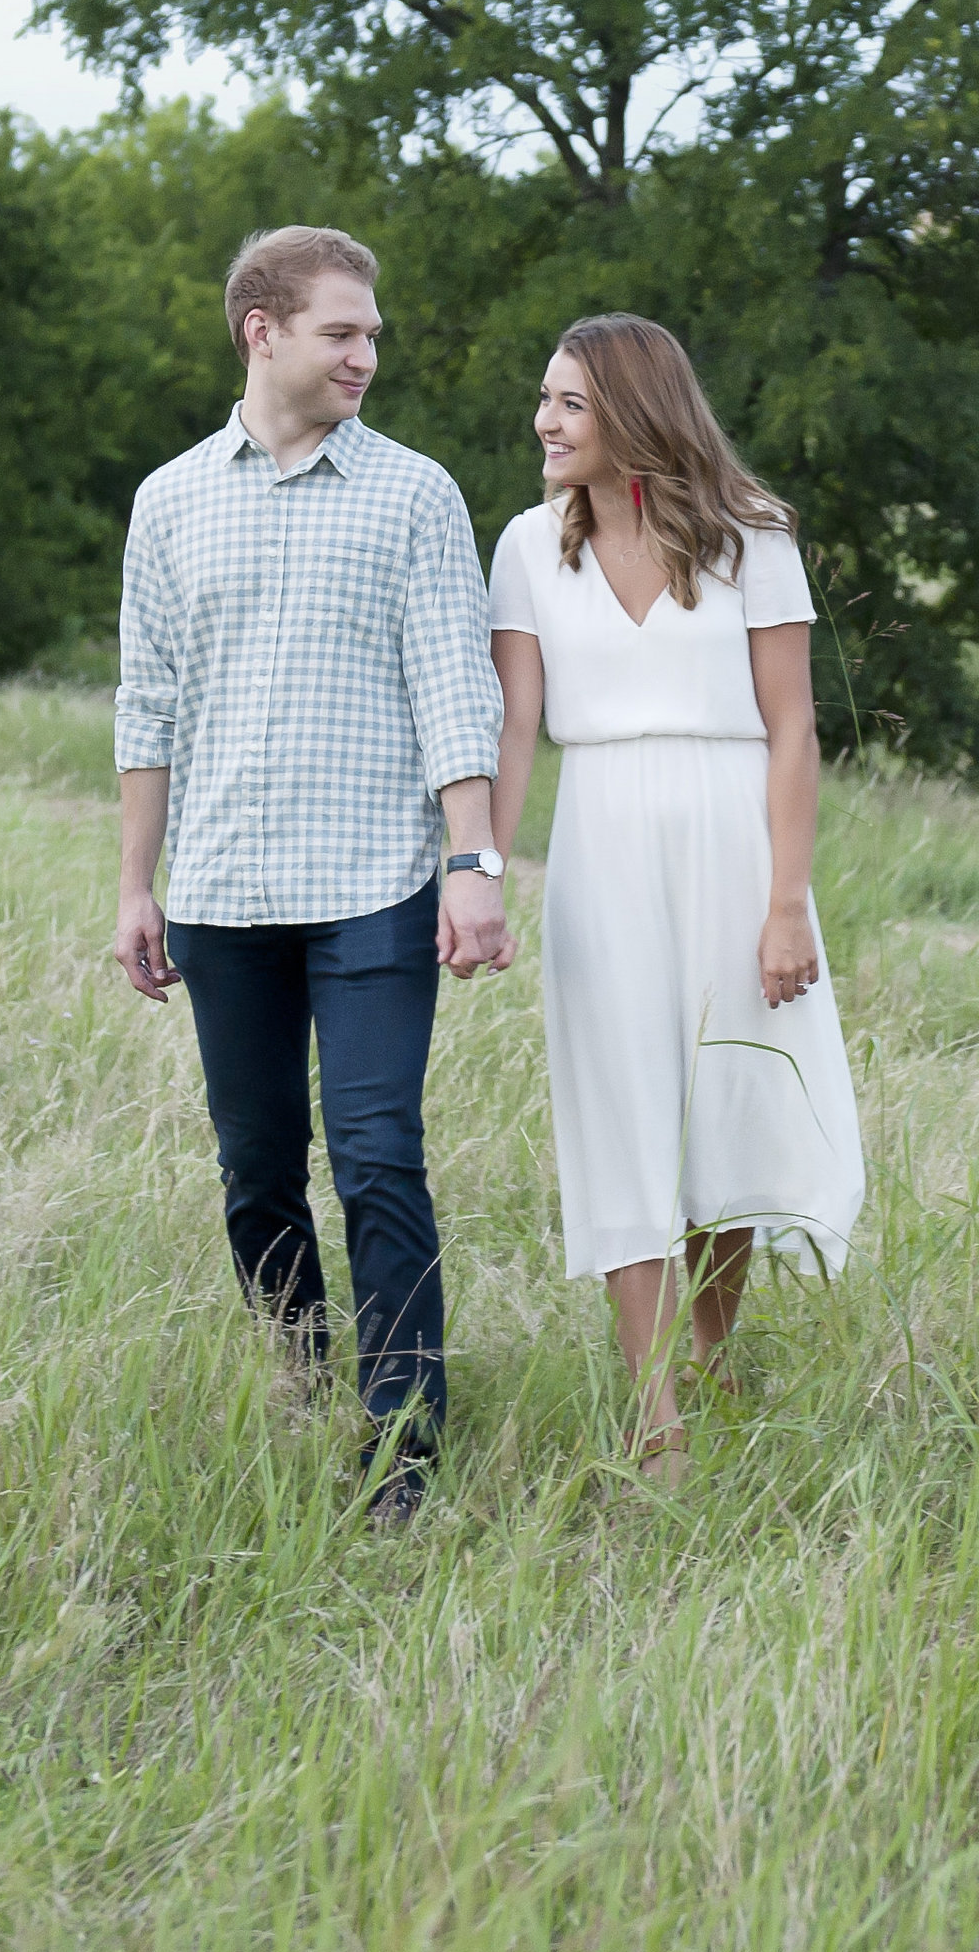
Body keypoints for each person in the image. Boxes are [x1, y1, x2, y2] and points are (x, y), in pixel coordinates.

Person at [112, 226, 512, 1525]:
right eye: (343, 331)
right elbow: (146, 705)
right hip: (223, 892)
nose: (367, 354)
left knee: (380, 1154)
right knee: (259, 1167)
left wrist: (471, 860)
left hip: (377, 883)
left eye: (375, 334)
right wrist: (136, 884)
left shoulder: (413, 494)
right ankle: (302, 1379)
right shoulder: (168, 499)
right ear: (261, 330)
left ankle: (404, 1449)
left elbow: (459, 688)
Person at [487, 314, 865, 1487]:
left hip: (732, 843)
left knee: (730, 1107)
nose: (543, 423)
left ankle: (708, 1357)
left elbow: (795, 725)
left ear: (634, 414)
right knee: (621, 1115)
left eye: (568, 405)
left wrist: (787, 902)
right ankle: (656, 1417)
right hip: (600, 845)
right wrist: (481, 876)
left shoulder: (750, 538)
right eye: (544, 400)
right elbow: (512, 729)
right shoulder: (523, 545)